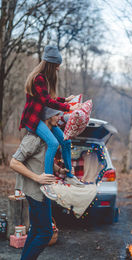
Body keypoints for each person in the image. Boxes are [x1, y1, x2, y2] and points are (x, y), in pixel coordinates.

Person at [19, 45, 83, 197]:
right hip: (33, 119)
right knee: (53, 143)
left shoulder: (45, 79)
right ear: (50, 64)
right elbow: (47, 101)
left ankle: (69, 176)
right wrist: (68, 107)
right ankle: (47, 184)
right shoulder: (38, 78)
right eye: (57, 66)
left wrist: (65, 100)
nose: (58, 69)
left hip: (42, 117)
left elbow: (50, 99)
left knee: (66, 141)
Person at [10, 108, 72, 260]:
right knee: (45, 233)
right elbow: (14, 162)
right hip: (36, 190)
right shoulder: (34, 138)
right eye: (57, 114)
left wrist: (59, 170)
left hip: (42, 190)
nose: (59, 117)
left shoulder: (47, 138)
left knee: (36, 230)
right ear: (48, 116)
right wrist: (37, 178)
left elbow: (40, 160)